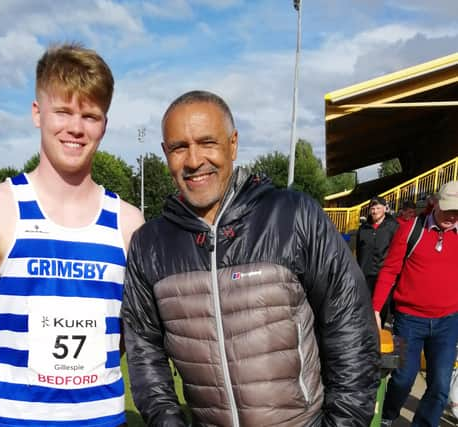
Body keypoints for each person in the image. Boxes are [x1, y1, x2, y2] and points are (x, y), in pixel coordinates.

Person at [121, 90, 380, 426]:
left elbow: (350, 328)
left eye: (207, 142)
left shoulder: (293, 215)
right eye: (179, 147)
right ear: (165, 153)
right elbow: (144, 352)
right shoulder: (150, 244)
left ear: (233, 144)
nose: (194, 160)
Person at [0, 43, 144, 427]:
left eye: (90, 115)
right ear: (37, 113)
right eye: (63, 111)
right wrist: (22, 388)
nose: (76, 127)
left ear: (104, 124)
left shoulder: (128, 223)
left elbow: (126, 332)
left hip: (103, 418)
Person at [373, 180, 458, 426]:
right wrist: (376, 309)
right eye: (449, 209)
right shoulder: (411, 230)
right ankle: (388, 415)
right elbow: (389, 271)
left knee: (440, 385)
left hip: (448, 322)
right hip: (408, 321)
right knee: (402, 378)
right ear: (435, 204)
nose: (452, 217)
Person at [356, 196, 399, 295]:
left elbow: (397, 254)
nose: (375, 211)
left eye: (378, 208)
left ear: (385, 208)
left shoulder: (393, 227)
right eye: (372, 209)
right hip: (365, 276)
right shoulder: (363, 229)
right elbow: (359, 252)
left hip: (384, 277)